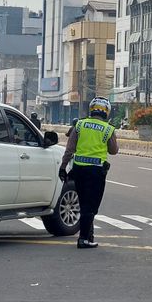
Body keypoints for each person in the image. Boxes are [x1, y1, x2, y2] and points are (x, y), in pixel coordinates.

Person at [59, 97, 119, 249]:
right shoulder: (108, 128)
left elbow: (69, 149)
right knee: (90, 207)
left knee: (84, 203)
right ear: (106, 112)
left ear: (91, 109)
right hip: (96, 173)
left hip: (78, 170)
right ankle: (83, 239)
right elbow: (114, 151)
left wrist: (63, 167)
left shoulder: (79, 124)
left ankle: (89, 235)